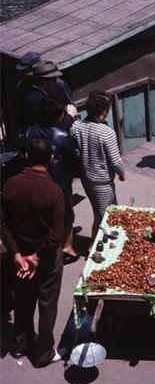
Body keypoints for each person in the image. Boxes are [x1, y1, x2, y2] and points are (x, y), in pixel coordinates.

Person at [1, 139, 64, 367]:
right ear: (50, 159)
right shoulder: (54, 191)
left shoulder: (9, 185)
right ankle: (44, 353)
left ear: (27, 157)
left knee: (23, 300)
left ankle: (20, 345)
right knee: (47, 305)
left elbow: (2, 224)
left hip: (18, 258)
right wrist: (36, 257)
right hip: (45, 260)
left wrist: (17, 255)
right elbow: (55, 234)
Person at [26, 99, 81, 262]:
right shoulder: (62, 136)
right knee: (66, 216)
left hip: (37, 180)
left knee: (45, 216)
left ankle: (51, 245)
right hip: (59, 182)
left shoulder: (31, 131)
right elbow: (74, 159)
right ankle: (68, 247)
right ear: (58, 117)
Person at [70, 90, 126, 244]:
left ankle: (102, 240)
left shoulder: (77, 127)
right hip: (101, 181)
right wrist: (122, 173)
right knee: (104, 215)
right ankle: (95, 246)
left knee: (102, 211)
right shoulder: (106, 132)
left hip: (86, 178)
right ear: (104, 111)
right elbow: (115, 161)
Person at [19, 60, 77, 132]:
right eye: (54, 80)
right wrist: (70, 116)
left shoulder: (31, 94)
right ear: (44, 83)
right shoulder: (41, 101)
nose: (56, 83)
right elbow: (54, 131)